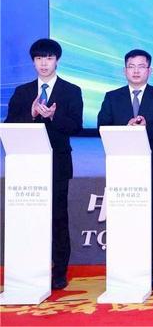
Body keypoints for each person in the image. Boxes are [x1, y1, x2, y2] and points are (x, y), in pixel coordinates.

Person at [4, 38, 83, 290]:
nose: (44, 64)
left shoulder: (71, 91)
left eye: (48, 58)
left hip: (57, 163)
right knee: (30, 216)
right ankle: (30, 265)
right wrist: (33, 114)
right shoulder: (23, 92)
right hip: (27, 164)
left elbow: (76, 127)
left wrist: (54, 116)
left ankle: (59, 271)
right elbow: (9, 125)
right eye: (39, 59)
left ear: (57, 60)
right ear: (33, 62)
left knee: (58, 217)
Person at [97, 49, 153, 291]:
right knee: (124, 220)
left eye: (141, 66)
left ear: (149, 71)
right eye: (131, 66)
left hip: (151, 169)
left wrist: (145, 127)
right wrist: (125, 127)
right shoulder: (112, 97)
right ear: (124, 70)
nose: (136, 70)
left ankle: (149, 272)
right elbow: (102, 125)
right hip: (122, 168)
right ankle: (123, 269)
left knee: (150, 221)